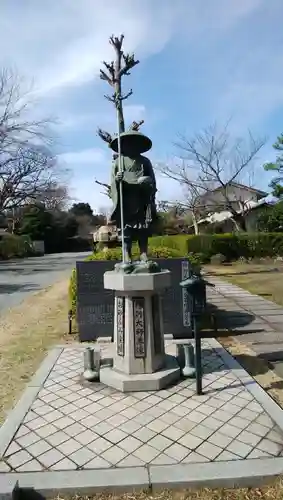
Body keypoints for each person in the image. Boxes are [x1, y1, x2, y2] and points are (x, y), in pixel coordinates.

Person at [109, 131, 157, 263]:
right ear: (123, 146)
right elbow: (112, 182)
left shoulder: (145, 161)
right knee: (126, 228)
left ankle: (143, 253)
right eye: (128, 144)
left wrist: (148, 184)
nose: (131, 146)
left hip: (141, 197)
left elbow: (152, 180)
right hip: (126, 199)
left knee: (143, 228)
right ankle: (126, 253)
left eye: (134, 144)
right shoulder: (118, 162)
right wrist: (117, 180)